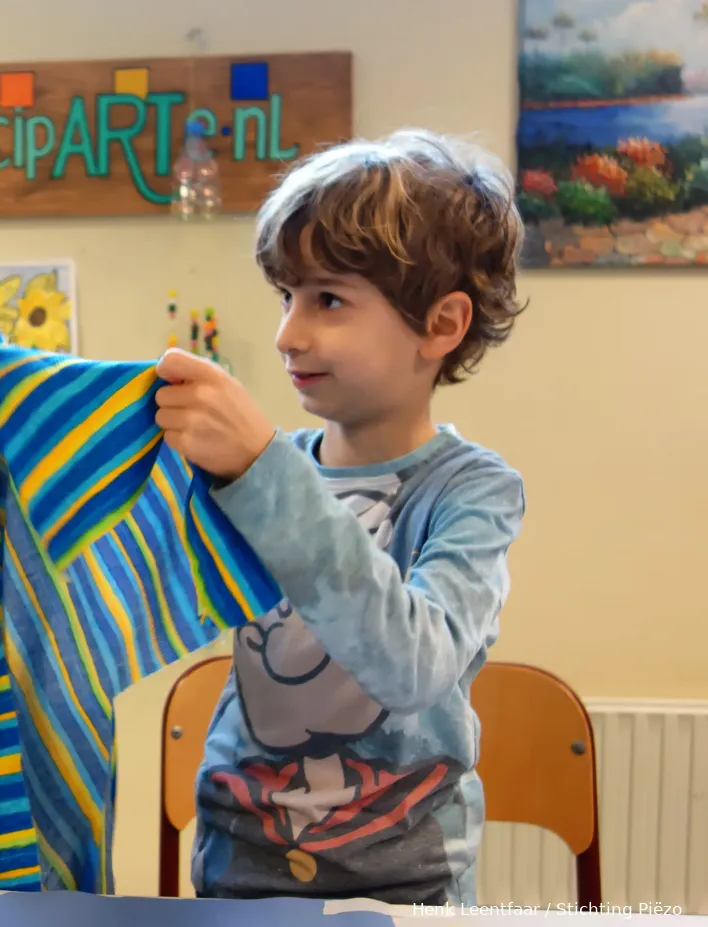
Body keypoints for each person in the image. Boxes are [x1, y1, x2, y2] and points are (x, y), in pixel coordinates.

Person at [152, 128, 527, 906]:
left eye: (328, 299)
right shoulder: (260, 469)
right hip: (238, 872)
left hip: (407, 888)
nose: (289, 333)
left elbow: (414, 664)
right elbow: (150, 597)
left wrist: (262, 471)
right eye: (287, 297)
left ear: (441, 325)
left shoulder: (471, 492)